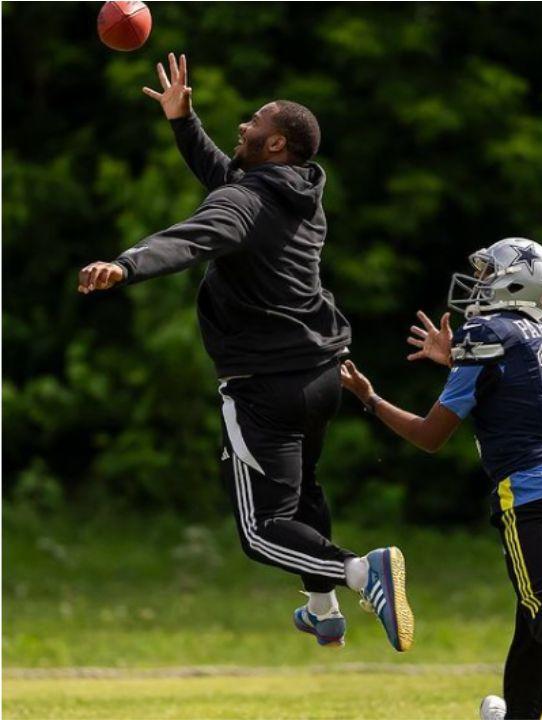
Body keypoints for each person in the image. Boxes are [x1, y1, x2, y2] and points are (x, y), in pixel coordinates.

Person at [76, 53, 414, 653]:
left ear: (276, 141)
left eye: (254, 121)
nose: (243, 125)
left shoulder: (247, 204)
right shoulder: (298, 195)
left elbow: (191, 238)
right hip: (321, 376)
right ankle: (322, 608)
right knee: (303, 492)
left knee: (261, 533)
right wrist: (185, 123)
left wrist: (125, 264)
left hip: (265, 387)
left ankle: (365, 574)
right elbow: (232, 186)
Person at [337, 238, 542, 720]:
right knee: (533, 616)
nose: (477, 285)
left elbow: (431, 435)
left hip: (537, 495)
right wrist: (457, 359)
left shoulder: (483, 334)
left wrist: (370, 399)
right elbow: (519, 385)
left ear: (516, 281)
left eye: (486, 275)